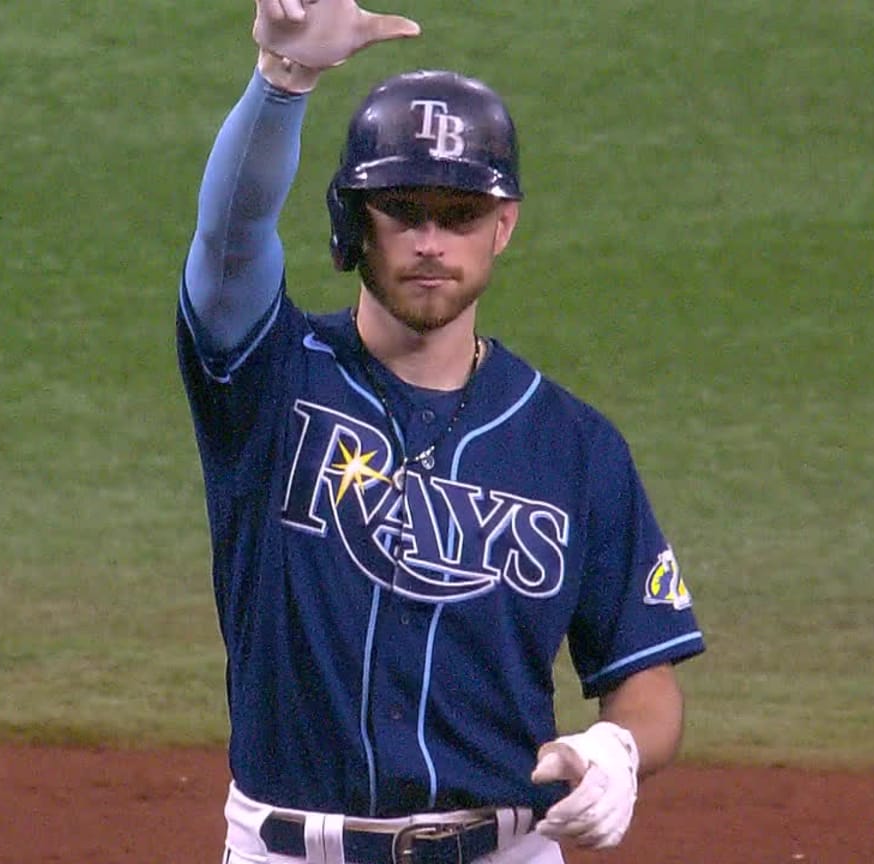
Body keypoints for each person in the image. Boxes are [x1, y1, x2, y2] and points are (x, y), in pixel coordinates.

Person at [177, 2, 705, 861]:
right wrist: (283, 85)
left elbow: (646, 678)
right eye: (403, 210)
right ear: (354, 221)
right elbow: (230, 238)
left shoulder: (574, 446)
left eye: (460, 216)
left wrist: (619, 749)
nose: (430, 242)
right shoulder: (268, 378)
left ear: (503, 226)